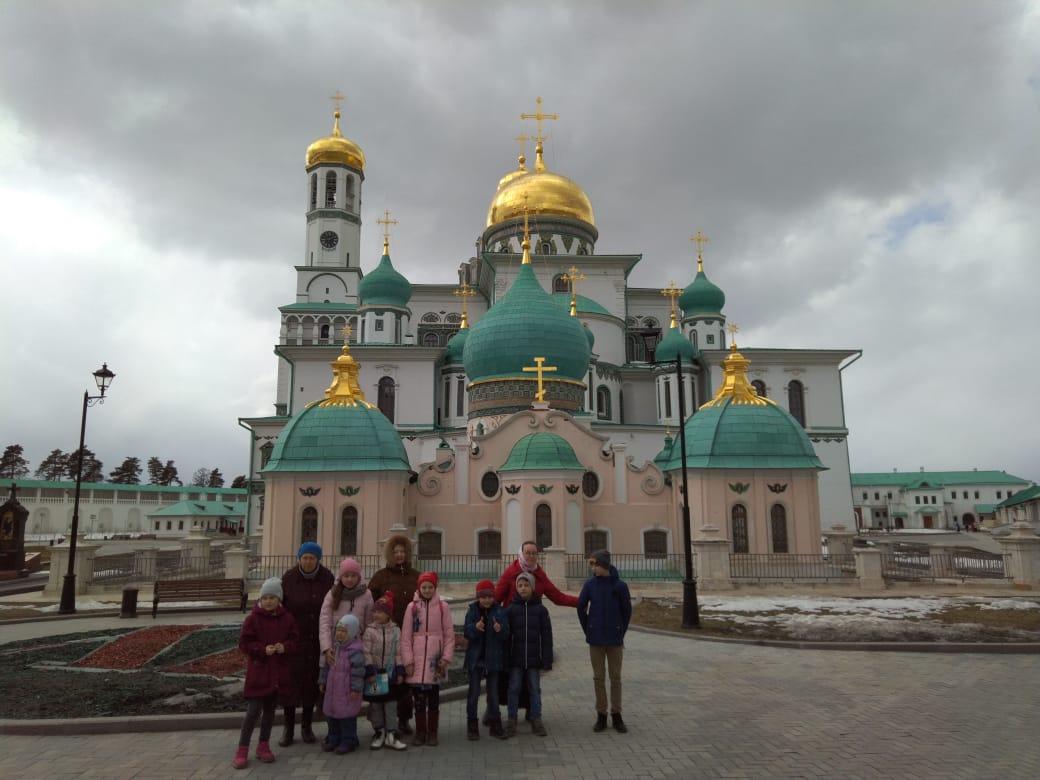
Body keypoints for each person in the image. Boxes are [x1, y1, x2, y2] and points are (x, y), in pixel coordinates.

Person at [233, 577, 299, 770]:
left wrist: (284, 647)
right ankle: (242, 749)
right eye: (265, 598)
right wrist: (262, 650)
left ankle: (263, 745)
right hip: (259, 673)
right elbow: (244, 643)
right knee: (253, 712)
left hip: (277, 674)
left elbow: (295, 640)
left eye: (272, 597)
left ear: (279, 599)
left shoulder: (287, 619)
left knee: (269, 712)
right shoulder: (253, 619)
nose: (268, 601)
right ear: (260, 599)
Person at [279, 541, 334, 746]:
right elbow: (281, 607)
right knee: (291, 685)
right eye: (305, 558)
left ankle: (307, 726)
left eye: (312, 558)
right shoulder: (289, 578)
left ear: (318, 559)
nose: (308, 561)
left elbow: (332, 606)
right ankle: (288, 728)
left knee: (312, 684)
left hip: (316, 640)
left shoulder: (327, 577)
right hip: (294, 640)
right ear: (299, 559)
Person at [368, 533, 421, 735]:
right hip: (384, 637)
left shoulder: (415, 576)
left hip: (408, 636)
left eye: (403, 551)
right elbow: (372, 605)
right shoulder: (380, 577)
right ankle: (378, 723)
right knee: (380, 679)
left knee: (404, 679)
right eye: (396, 552)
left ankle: (404, 719)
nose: (399, 555)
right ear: (390, 554)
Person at [577, 549, 632, 734]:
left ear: (604, 564)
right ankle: (601, 714)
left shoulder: (620, 586)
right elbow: (580, 607)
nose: (592, 567)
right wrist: (588, 628)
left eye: (594, 564)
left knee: (615, 678)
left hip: (615, 640)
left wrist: (620, 630)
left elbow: (627, 611)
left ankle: (617, 714)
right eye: (591, 564)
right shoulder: (590, 585)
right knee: (598, 677)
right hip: (596, 639)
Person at [401, 570, 455, 747]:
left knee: (433, 700)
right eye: (424, 587)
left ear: (435, 588)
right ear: (419, 588)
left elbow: (449, 635)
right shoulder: (412, 608)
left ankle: (432, 732)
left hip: (435, 660)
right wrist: (408, 661)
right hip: (417, 662)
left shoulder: (442, 607)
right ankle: (420, 732)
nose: (427, 590)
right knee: (418, 700)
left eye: (430, 587)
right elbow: (405, 637)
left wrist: (446, 658)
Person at [504, 572, 553, 739]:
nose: (523, 588)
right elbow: (506, 637)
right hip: (516, 659)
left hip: (533, 659)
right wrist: (506, 658)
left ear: (532, 588)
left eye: (526, 585)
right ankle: (511, 720)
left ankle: (536, 718)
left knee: (535, 689)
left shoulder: (540, 610)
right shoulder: (511, 610)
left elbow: (546, 637)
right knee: (513, 689)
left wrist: (546, 659)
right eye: (520, 585)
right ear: (516, 588)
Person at [463, 579, 509, 740]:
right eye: (483, 597)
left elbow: (506, 634)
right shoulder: (472, 611)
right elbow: (467, 632)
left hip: (493, 658)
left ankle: (495, 724)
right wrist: (475, 628)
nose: (487, 600)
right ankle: (472, 725)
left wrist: (500, 629)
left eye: (489, 597)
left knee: (493, 693)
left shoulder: (499, 611)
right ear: (478, 598)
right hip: (476, 659)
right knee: (474, 693)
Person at [361, 593, 408, 751]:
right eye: (375, 611)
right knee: (376, 705)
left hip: (390, 676)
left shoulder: (396, 630)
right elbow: (365, 652)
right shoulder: (369, 631)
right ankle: (379, 732)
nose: (376, 614)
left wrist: (400, 671)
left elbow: (399, 652)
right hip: (375, 676)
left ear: (388, 614)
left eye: (380, 612)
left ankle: (391, 734)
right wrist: (369, 670)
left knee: (391, 705)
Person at [319, 614, 365, 755]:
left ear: (352, 632)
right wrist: (322, 680)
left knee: (347, 718)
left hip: (347, 693)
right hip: (333, 692)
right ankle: (334, 739)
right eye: (338, 630)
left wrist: (356, 689)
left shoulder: (355, 651)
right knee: (332, 717)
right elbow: (326, 666)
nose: (339, 633)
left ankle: (349, 740)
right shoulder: (334, 648)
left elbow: (358, 673)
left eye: (344, 631)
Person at [319, 558, 374, 665]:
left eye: (353, 576)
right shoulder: (332, 594)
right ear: (341, 577)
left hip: (357, 650)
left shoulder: (366, 595)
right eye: (346, 576)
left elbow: (369, 625)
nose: (350, 579)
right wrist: (326, 647)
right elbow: (325, 623)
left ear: (359, 577)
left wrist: (366, 648)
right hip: (335, 648)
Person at [495, 541, 580, 608]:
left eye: (534, 553)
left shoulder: (539, 574)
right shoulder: (511, 572)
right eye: (528, 553)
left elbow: (557, 597)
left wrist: (581, 601)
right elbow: (497, 597)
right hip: (512, 620)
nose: (531, 556)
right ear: (521, 554)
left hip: (534, 619)